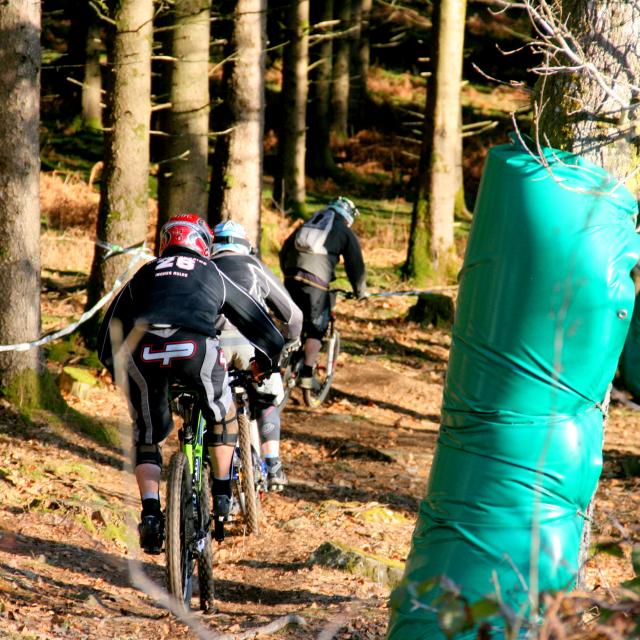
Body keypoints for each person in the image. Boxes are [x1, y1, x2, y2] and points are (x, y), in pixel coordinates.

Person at [97, 214, 284, 554]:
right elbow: (261, 324)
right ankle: (224, 495)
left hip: (145, 353)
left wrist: (120, 371)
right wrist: (265, 363)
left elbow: (106, 337)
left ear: (166, 241)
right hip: (196, 349)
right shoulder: (211, 271)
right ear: (202, 243)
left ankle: (152, 514)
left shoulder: (145, 273)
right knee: (223, 413)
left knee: (148, 435)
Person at [211, 220, 303, 491]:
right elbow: (292, 314)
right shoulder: (254, 266)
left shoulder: (204, 268)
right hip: (253, 344)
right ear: (245, 246)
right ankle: (273, 463)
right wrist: (291, 341)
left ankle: (226, 461)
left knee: (215, 402)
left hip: (212, 346)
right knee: (267, 397)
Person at [279, 196, 367, 388]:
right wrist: (360, 291)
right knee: (317, 328)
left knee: (292, 319)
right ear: (348, 217)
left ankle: (279, 363)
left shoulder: (310, 223)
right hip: (316, 283)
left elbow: (284, 250)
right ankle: (307, 375)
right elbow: (355, 265)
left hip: (291, 277)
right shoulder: (344, 230)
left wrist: (288, 273)